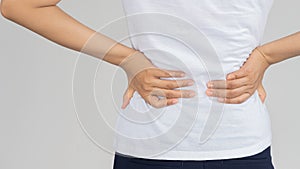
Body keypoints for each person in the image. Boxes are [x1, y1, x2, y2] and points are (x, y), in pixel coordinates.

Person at [1, 0, 300, 169]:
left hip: (161, 144)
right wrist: (265, 56)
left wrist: (127, 58)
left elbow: (18, 5)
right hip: (230, 144)